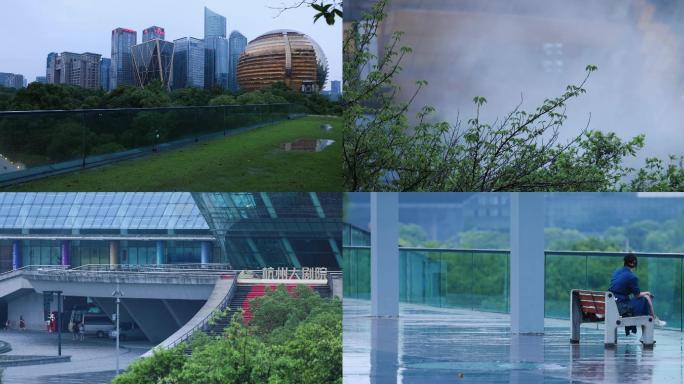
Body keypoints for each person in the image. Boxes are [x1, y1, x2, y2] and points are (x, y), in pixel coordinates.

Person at [609, 253, 666, 335]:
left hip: (612, 304)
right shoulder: (632, 277)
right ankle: (652, 321)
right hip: (621, 308)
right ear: (632, 263)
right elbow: (637, 295)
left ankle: (654, 318)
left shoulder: (617, 272)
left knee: (645, 298)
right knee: (645, 299)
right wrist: (647, 293)